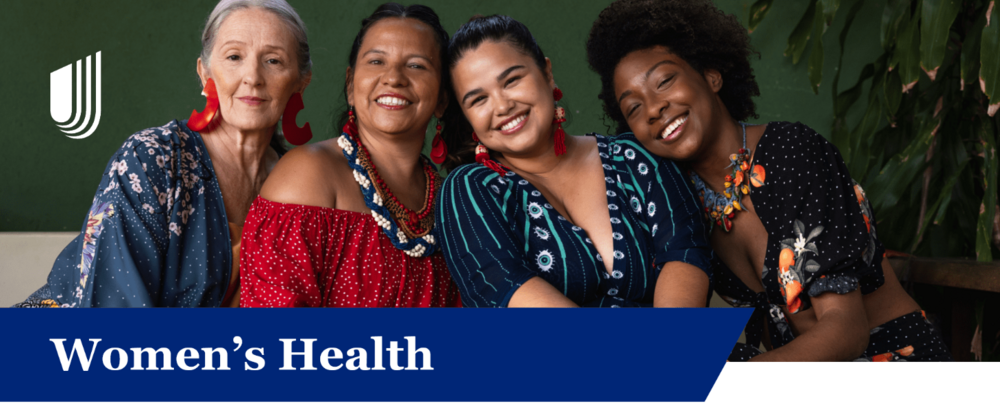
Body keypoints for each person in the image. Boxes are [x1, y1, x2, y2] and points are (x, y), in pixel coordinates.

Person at [586, 0, 951, 361]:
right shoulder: (679, 202)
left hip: (889, 361)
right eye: (633, 107)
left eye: (665, 81)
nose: (653, 108)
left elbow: (848, 332)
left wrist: (740, 384)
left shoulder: (792, 152)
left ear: (711, 76)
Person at [15, 0, 314, 308]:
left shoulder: (298, 185)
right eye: (234, 56)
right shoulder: (151, 160)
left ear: (301, 82)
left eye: (274, 61)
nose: (252, 77)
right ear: (205, 73)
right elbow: (113, 313)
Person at [437, 14, 712, 308]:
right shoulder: (470, 190)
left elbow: (685, 253)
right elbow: (505, 292)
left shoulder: (636, 156)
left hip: (680, 346)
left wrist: (672, 350)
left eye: (512, 80)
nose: (503, 106)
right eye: (478, 100)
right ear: (467, 117)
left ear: (547, 72)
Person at [239, 3, 461, 307]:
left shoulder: (450, 203)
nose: (393, 78)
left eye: (417, 65)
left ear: (442, 98)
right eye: (376, 61)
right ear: (351, 85)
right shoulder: (308, 175)